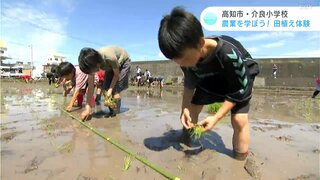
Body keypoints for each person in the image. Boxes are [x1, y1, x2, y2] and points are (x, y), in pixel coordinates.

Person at [158, 7, 259, 160]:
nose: (183, 64)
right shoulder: (187, 60)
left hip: (238, 79)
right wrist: (184, 108)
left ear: (200, 43)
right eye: (178, 61)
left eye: (184, 59)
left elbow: (239, 89)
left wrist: (216, 117)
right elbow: (190, 83)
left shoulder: (228, 53)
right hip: (209, 78)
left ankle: (240, 159)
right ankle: (186, 138)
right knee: (191, 111)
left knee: (239, 120)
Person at [78, 46, 131, 119]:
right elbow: (90, 88)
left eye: (91, 71)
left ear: (97, 65)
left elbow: (116, 75)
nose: (91, 73)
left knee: (115, 90)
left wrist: (111, 89)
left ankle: (116, 113)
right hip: (109, 66)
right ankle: (112, 110)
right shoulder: (91, 65)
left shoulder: (109, 57)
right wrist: (87, 108)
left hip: (123, 62)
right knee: (105, 88)